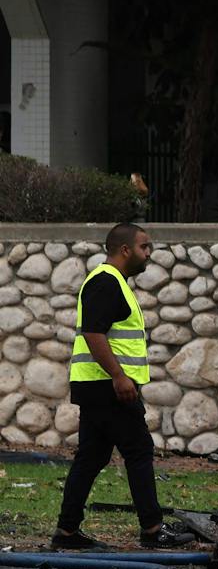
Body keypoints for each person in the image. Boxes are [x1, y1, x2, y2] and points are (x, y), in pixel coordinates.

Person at [52, 222, 175, 550]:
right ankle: (152, 529)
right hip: (108, 386)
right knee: (139, 450)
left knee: (92, 456)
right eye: (144, 247)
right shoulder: (106, 282)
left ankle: (66, 533)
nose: (149, 253)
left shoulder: (113, 282)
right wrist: (120, 376)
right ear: (125, 250)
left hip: (98, 385)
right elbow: (94, 333)